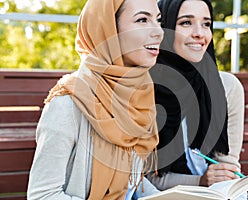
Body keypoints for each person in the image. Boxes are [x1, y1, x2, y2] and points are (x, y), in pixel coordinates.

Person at [27, 0, 163, 199]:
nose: (159, 32)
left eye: (158, 20)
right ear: (108, 30)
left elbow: (129, 181)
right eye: (142, 20)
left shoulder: (138, 95)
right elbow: (43, 195)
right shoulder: (67, 102)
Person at [148, 0, 246, 198]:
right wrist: (200, 182)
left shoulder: (227, 87)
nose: (199, 33)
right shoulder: (144, 88)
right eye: (186, 22)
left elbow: (227, 167)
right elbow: (144, 180)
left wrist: (225, 181)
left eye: (206, 24)